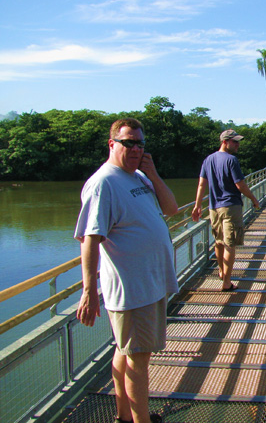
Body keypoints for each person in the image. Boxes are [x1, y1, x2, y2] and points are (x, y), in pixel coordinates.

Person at [75, 118, 179, 423]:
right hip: (132, 288)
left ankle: (124, 416)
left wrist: (153, 173)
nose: (135, 148)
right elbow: (90, 240)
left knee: (126, 350)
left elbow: (172, 208)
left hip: (150, 283)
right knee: (138, 359)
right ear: (112, 144)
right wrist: (88, 292)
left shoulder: (138, 178)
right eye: (128, 142)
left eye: (140, 143)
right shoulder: (103, 182)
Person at [191, 129, 260, 291]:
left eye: (238, 141)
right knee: (230, 244)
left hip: (214, 208)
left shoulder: (208, 160)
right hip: (230, 206)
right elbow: (240, 185)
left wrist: (197, 205)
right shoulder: (231, 160)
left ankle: (222, 272)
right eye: (234, 141)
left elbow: (202, 184)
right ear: (225, 142)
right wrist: (253, 199)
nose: (238, 144)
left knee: (219, 241)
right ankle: (227, 282)